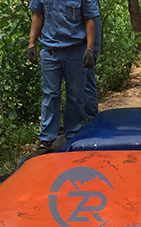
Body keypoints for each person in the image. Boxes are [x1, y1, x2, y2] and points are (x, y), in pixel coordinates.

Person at [27, 0, 100, 153]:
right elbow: (38, 15)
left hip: (75, 51)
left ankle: (73, 134)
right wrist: (31, 44)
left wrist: (89, 49)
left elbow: (90, 19)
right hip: (50, 51)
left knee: (75, 94)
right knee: (50, 94)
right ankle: (46, 138)